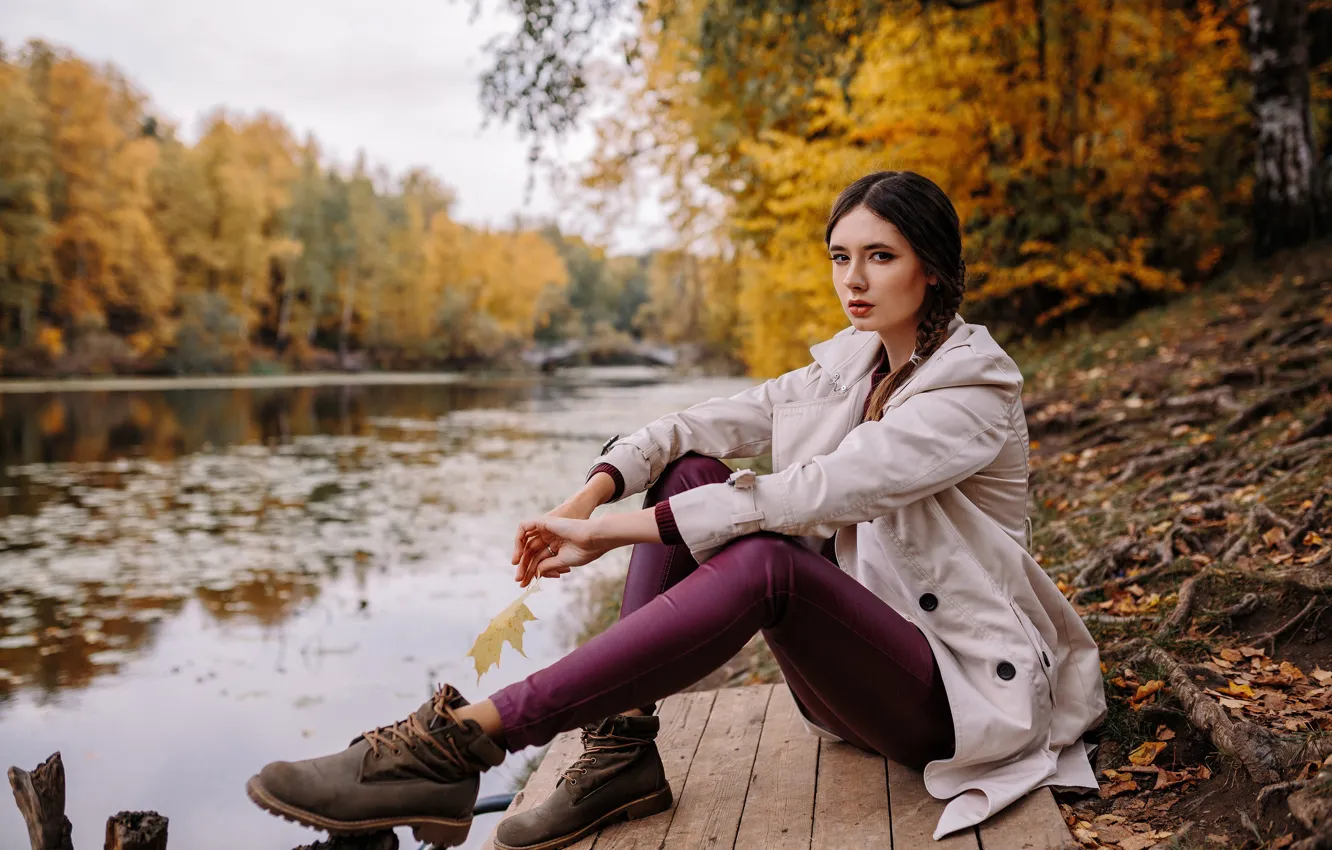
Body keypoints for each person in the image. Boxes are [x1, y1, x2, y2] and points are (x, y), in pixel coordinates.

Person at [245, 170, 1107, 849]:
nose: (853, 278)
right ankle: (622, 752)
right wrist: (587, 497)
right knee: (692, 469)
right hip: (846, 686)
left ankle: (465, 742)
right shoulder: (853, 363)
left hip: (952, 700)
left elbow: (816, 491)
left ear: (933, 264)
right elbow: (692, 425)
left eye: (879, 256)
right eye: (840, 256)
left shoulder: (973, 387)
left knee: (769, 560)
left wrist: (608, 535)